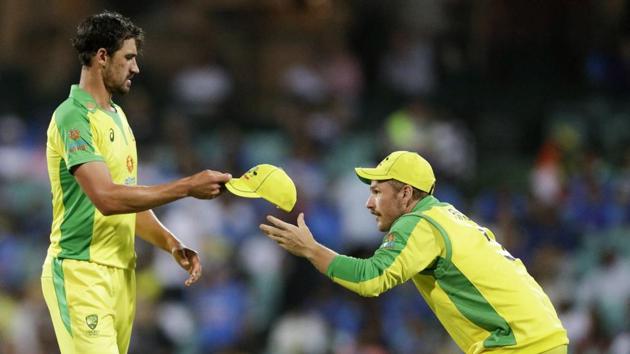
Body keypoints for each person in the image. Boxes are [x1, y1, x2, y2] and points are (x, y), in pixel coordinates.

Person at [42, 11, 231, 354]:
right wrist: (187, 186)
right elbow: (107, 198)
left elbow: (130, 201)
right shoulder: (73, 116)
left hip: (122, 275)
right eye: (128, 57)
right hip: (81, 272)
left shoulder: (119, 117)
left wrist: (170, 242)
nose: (136, 68)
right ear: (102, 57)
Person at [260, 150, 569, 354]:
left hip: (517, 344)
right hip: (542, 338)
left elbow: (371, 279)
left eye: (378, 192)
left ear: (406, 194)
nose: (370, 203)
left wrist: (312, 250)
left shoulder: (417, 223)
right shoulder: (445, 215)